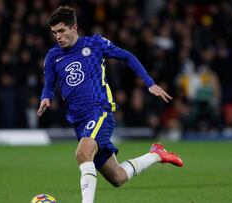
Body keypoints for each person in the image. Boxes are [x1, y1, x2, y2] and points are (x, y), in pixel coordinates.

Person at [37, 6, 183, 203]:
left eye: (62, 31)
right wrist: (46, 97)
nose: (58, 36)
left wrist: (149, 83)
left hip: (99, 111)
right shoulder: (53, 56)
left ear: (74, 27)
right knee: (118, 177)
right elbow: (49, 84)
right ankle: (156, 155)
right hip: (79, 121)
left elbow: (127, 56)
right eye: (54, 33)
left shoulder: (95, 43)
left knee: (82, 153)